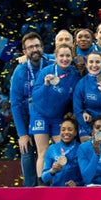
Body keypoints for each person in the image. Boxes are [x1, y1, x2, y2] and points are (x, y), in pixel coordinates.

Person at [31, 43, 81, 182]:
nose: (64, 58)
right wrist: (46, 85)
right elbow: (35, 96)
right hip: (40, 114)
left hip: (58, 116)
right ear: (56, 57)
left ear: (72, 57)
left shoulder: (74, 76)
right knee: (43, 151)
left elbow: (74, 99)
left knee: (65, 149)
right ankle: (42, 184)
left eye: (67, 56)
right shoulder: (46, 72)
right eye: (61, 56)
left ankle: (65, 182)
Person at [10, 32, 54, 187]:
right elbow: (14, 104)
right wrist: (22, 134)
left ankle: (55, 187)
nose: (34, 49)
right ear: (25, 52)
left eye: (37, 46)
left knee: (54, 150)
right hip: (28, 115)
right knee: (26, 149)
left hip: (51, 112)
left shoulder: (52, 62)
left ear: (42, 48)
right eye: (30, 47)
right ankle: (30, 190)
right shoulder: (19, 72)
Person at [41, 113, 83, 187]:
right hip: (56, 190)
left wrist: (77, 184)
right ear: (60, 133)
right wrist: (52, 170)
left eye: (70, 129)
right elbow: (44, 178)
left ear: (76, 133)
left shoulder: (82, 149)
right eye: (63, 130)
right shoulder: (52, 149)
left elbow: (87, 176)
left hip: (76, 191)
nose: (66, 132)